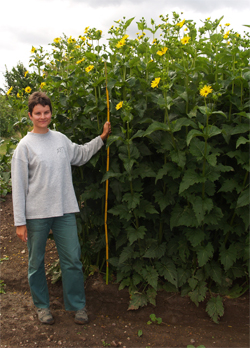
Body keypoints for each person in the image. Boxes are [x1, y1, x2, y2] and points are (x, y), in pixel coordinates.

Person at [11, 91, 111, 325]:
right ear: (30, 115)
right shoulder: (24, 147)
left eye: (46, 112)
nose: (43, 116)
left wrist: (102, 138)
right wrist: (20, 222)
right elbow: (18, 186)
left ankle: (77, 306)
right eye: (38, 113)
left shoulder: (60, 139)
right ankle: (42, 306)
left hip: (64, 210)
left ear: (51, 113)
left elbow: (81, 154)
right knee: (36, 263)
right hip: (36, 215)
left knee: (72, 260)